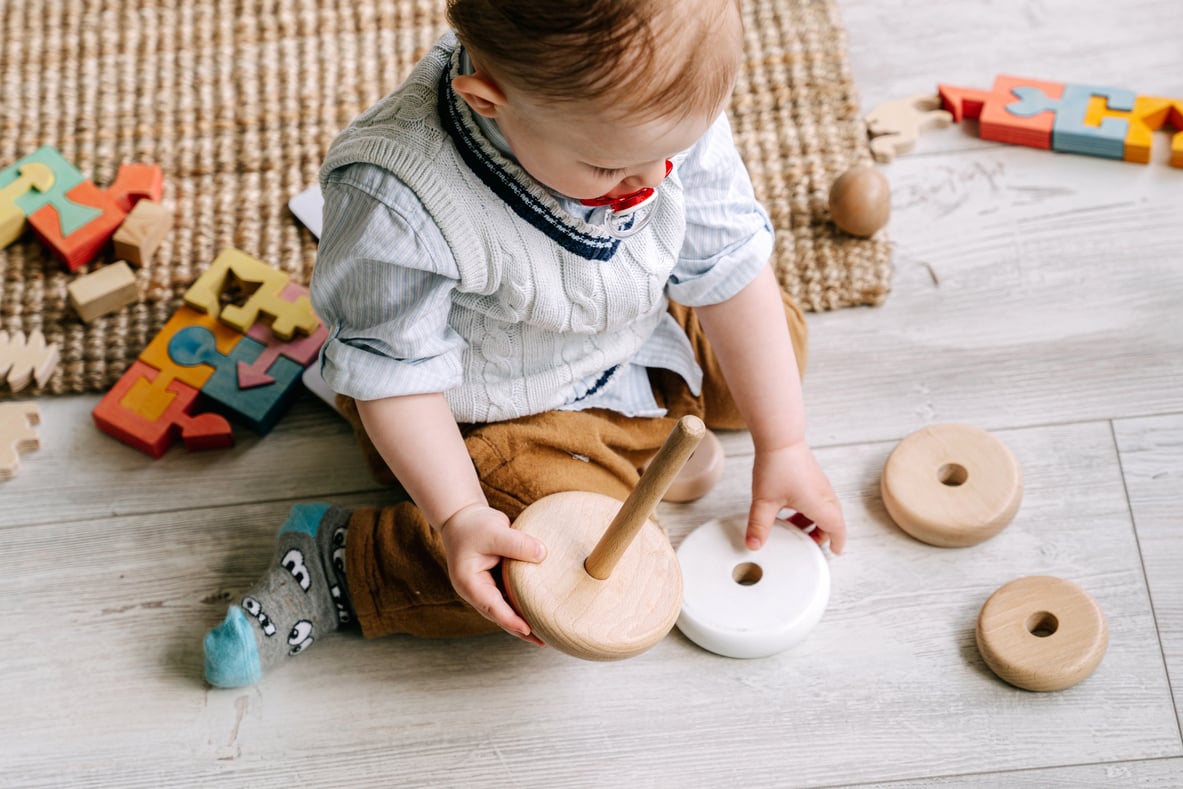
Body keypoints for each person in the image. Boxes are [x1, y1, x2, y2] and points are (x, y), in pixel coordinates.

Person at [203, 0, 846, 688]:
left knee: (774, 344)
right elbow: (397, 380)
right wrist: (457, 515)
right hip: (490, 411)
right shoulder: (396, 197)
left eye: (670, 151)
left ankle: (645, 428)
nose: (653, 181)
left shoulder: (649, 117)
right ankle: (343, 564)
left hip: (629, 325)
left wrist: (784, 444)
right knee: (542, 568)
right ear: (487, 101)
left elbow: (726, 264)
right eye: (610, 169)